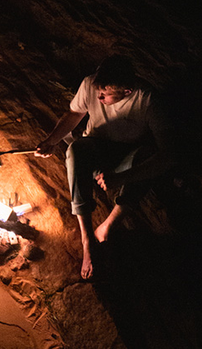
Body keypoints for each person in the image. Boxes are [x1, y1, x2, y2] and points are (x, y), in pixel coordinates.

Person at [36, 55, 177, 279]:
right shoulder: (91, 84)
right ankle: (87, 238)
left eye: (105, 95)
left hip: (127, 154)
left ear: (126, 92)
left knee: (149, 158)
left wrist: (122, 178)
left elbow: (169, 154)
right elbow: (75, 113)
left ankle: (109, 224)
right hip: (96, 146)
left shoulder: (148, 100)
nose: (99, 98)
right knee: (74, 151)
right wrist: (51, 140)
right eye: (98, 92)